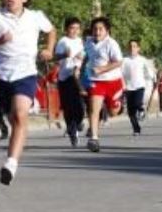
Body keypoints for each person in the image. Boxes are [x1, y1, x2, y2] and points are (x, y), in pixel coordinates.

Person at [0, 0, 55, 186]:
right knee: (13, 118)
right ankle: (13, 138)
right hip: (0, 77)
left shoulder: (35, 16)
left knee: (20, 116)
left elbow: (51, 30)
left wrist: (48, 49)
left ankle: (10, 164)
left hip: (26, 73)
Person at [83, 17, 124, 152]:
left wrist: (102, 69)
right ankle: (94, 139)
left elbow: (118, 62)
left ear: (107, 31)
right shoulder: (88, 42)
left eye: (101, 29)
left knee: (113, 112)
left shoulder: (111, 44)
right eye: (95, 29)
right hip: (96, 81)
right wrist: (81, 68)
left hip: (113, 81)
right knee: (93, 109)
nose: (97, 32)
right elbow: (86, 56)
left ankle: (118, 103)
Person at [54, 17, 85, 147]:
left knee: (80, 105)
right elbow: (56, 57)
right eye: (72, 28)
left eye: (77, 28)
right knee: (68, 107)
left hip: (78, 77)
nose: (75, 31)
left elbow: (86, 55)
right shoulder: (63, 41)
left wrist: (82, 57)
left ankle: (79, 121)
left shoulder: (81, 41)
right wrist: (65, 55)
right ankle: (73, 133)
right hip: (65, 77)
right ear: (66, 29)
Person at [121, 39, 153, 136]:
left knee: (137, 103)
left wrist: (152, 77)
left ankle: (141, 109)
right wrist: (122, 85)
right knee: (131, 112)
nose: (132, 48)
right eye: (130, 46)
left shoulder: (142, 60)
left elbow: (148, 71)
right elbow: (121, 73)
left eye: (134, 46)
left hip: (139, 86)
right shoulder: (125, 60)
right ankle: (136, 129)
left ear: (138, 48)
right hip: (128, 87)